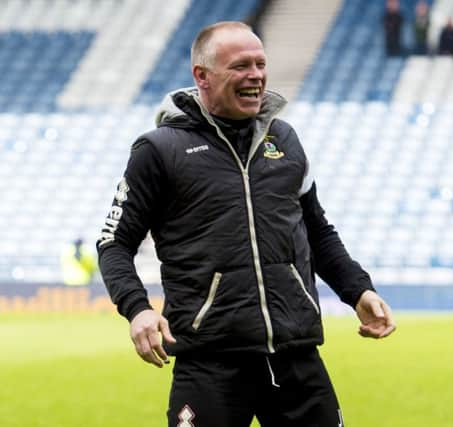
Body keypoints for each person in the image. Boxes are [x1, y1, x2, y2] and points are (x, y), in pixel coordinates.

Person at [97, 21, 396, 427]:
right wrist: (138, 310)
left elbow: (317, 232)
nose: (255, 76)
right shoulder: (160, 150)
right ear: (202, 76)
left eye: (260, 64)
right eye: (240, 66)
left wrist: (357, 289)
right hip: (209, 363)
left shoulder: (285, 140)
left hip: (295, 356)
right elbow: (114, 243)